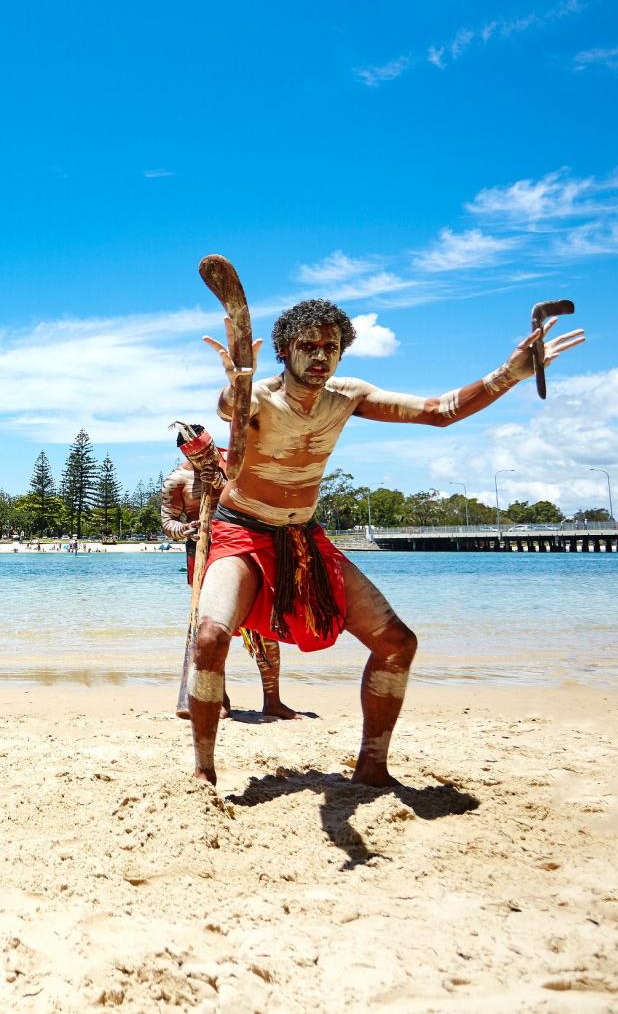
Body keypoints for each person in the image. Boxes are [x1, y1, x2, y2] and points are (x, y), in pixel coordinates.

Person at [189, 298, 585, 787]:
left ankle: (372, 767)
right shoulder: (260, 396)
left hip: (302, 540)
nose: (320, 355)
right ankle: (203, 774)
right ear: (284, 350)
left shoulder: (347, 396)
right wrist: (236, 385)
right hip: (241, 531)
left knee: (397, 643)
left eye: (330, 346)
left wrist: (511, 372)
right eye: (307, 345)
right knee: (210, 638)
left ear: (342, 352)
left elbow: (439, 412)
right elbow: (232, 407)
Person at [161, 442, 297, 720]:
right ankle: (218, 699)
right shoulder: (177, 480)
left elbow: (261, 503)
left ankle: (273, 699)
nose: (209, 458)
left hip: (245, 550)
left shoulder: (237, 469)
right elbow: (168, 523)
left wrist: (224, 483)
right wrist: (187, 529)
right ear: (188, 456)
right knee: (213, 629)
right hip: (203, 554)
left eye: (211, 452)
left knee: (264, 626)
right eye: (200, 456)